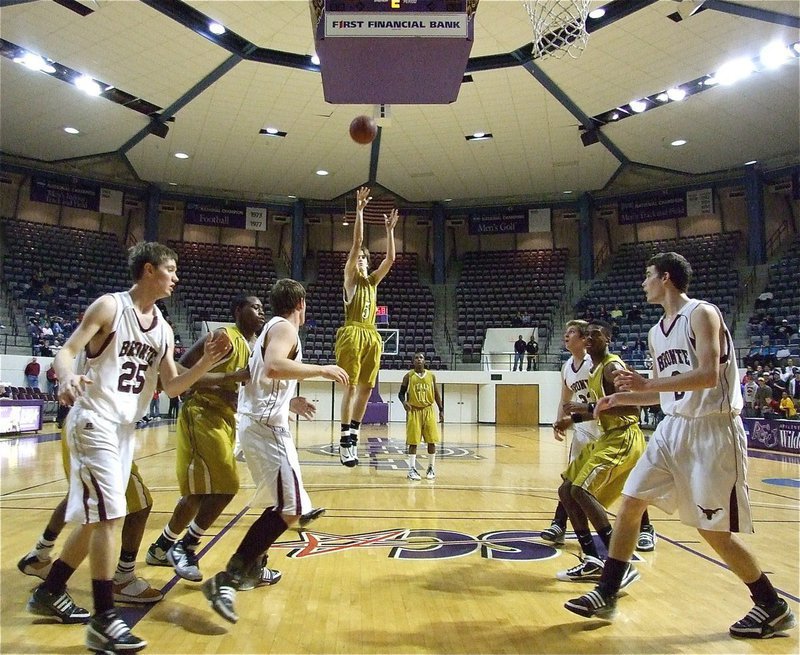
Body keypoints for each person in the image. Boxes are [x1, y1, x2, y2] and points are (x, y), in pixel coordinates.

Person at [564, 252, 797, 639]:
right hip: (673, 429)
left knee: (713, 531)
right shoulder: (657, 331)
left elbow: (707, 376)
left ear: (666, 278)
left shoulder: (702, 314)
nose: (643, 283)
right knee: (631, 501)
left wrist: (646, 386)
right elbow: (660, 392)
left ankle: (772, 605)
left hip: (712, 430)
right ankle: (607, 590)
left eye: (648, 276)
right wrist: (615, 400)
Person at [26, 242, 231, 653]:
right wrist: (66, 377)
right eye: (171, 270)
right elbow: (67, 351)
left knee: (94, 521)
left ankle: (50, 589)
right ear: (149, 270)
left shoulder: (164, 329)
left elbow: (172, 386)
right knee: (110, 519)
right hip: (93, 421)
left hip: (123, 431)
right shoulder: (110, 307)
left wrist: (206, 364)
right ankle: (104, 619)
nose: (176, 277)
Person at [201, 278, 349, 624]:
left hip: (260, 423)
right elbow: (273, 366)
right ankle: (229, 578)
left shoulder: (271, 327)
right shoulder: (284, 328)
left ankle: (254, 568)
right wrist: (322, 370)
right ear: (301, 303)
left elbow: (262, 377)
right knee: (291, 506)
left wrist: (289, 400)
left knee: (281, 505)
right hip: (266, 430)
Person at [147, 296, 264, 583]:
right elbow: (174, 374)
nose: (261, 312)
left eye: (262, 308)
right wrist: (225, 380)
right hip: (202, 413)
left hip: (226, 420)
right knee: (227, 486)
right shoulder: (224, 337)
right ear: (238, 311)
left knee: (199, 495)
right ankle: (186, 546)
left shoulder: (256, 346)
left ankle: (161, 548)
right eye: (254, 307)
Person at [553, 320, 647, 586]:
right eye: (589, 334)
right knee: (566, 490)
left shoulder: (612, 367)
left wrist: (586, 408)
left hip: (625, 436)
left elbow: (632, 409)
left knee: (581, 491)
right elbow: (600, 409)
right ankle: (593, 560)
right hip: (607, 436)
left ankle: (620, 562)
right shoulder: (594, 370)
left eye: (597, 334)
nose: (591, 338)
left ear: (608, 339)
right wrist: (571, 420)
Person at [335, 186, 398, 467]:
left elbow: (391, 260)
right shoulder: (351, 279)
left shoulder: (372, 282)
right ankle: (344, 438)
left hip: (372, 336)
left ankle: (354, 433)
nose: (360, 259)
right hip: (352, 332)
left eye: (364, 258)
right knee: (349, 387)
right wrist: (359, 211)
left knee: (365, 388)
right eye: (358, 257)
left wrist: (391, 232)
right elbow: (357, 241)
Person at [544, 320, 600, 546]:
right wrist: (559, 421)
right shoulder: (567, 366)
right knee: (570, 479)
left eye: (571, 332)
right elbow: (565, 399)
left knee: (623, 479)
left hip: (606, 427)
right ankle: (559, 523)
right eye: (565, 332)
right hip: (584, 429)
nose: (566, 336)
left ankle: (645, 526)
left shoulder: (594, 362)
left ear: (583, 337)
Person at [399, 352, 444, 481]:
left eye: (421, 358)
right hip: (414, 411)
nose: (419, 360)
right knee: (413, 442)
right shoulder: (408, 376)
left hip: (429, 410)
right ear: (413, 361)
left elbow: (436, 394)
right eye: (416, 358)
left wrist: (441, 410)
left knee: (432, 440)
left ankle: (431, 467)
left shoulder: (431, 376)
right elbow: (401, 394)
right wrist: (404, 402)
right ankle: (411, 469)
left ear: (425, 361)